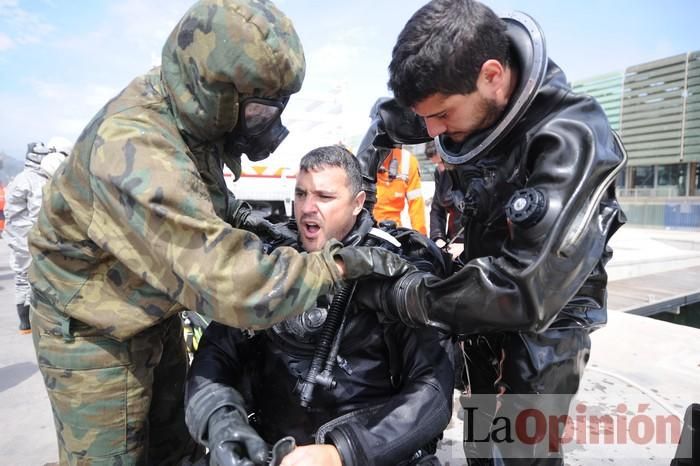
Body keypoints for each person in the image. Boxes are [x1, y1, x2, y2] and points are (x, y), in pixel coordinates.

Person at [27, 1, 411, 464]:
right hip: (93, 330)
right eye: (258, 113)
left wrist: (250, 222)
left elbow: (204, 199)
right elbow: (234, 284)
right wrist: (340, 264)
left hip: (150, 308)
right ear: (216, 95)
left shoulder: (187, 117)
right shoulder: (133, 147)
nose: (266, 128)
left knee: (174, 450)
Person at [357, 0, 627, 464]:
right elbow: (388, 121)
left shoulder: (570, 138)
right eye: (426, 120)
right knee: (482, 443)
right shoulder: (453, 102)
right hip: (480, 312)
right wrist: (358, 190)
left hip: (544, 325)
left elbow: (523, 289)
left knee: (521, 453)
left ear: (492, 75)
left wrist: (402, 296)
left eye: (441, 116)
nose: (431, 132)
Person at [185, 145, 454, 466]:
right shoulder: (269, 265)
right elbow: (215, 355)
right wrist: (222, 423)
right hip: (269, 451)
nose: (308, 208)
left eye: (324, 197)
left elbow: (433, 389)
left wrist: (342, 452)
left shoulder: (395, 267)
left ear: (357, 203)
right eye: (301, 194)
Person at [4, 142, 65, 334]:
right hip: (28, 238)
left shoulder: (19, 178)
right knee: (38, 279)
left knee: (21, 278)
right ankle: (34, 321)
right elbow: (39, 215)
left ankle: (24, 323)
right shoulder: (37, 181)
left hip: (15, 236)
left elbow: (9, 210)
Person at [373, 145, 428, 235]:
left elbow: (416, 204)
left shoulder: (408, 160)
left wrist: (422, 237)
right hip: (367, 227)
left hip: (393, 229)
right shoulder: (363, 157)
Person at [426, 141, 462, 249]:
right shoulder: (440, 174)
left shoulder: (467, 173)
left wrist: (466, 246)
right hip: (452, 240)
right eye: (436, 164)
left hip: (473, 242)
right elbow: (437, 210)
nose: (440, 168)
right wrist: (438, 237)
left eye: (441, 163)